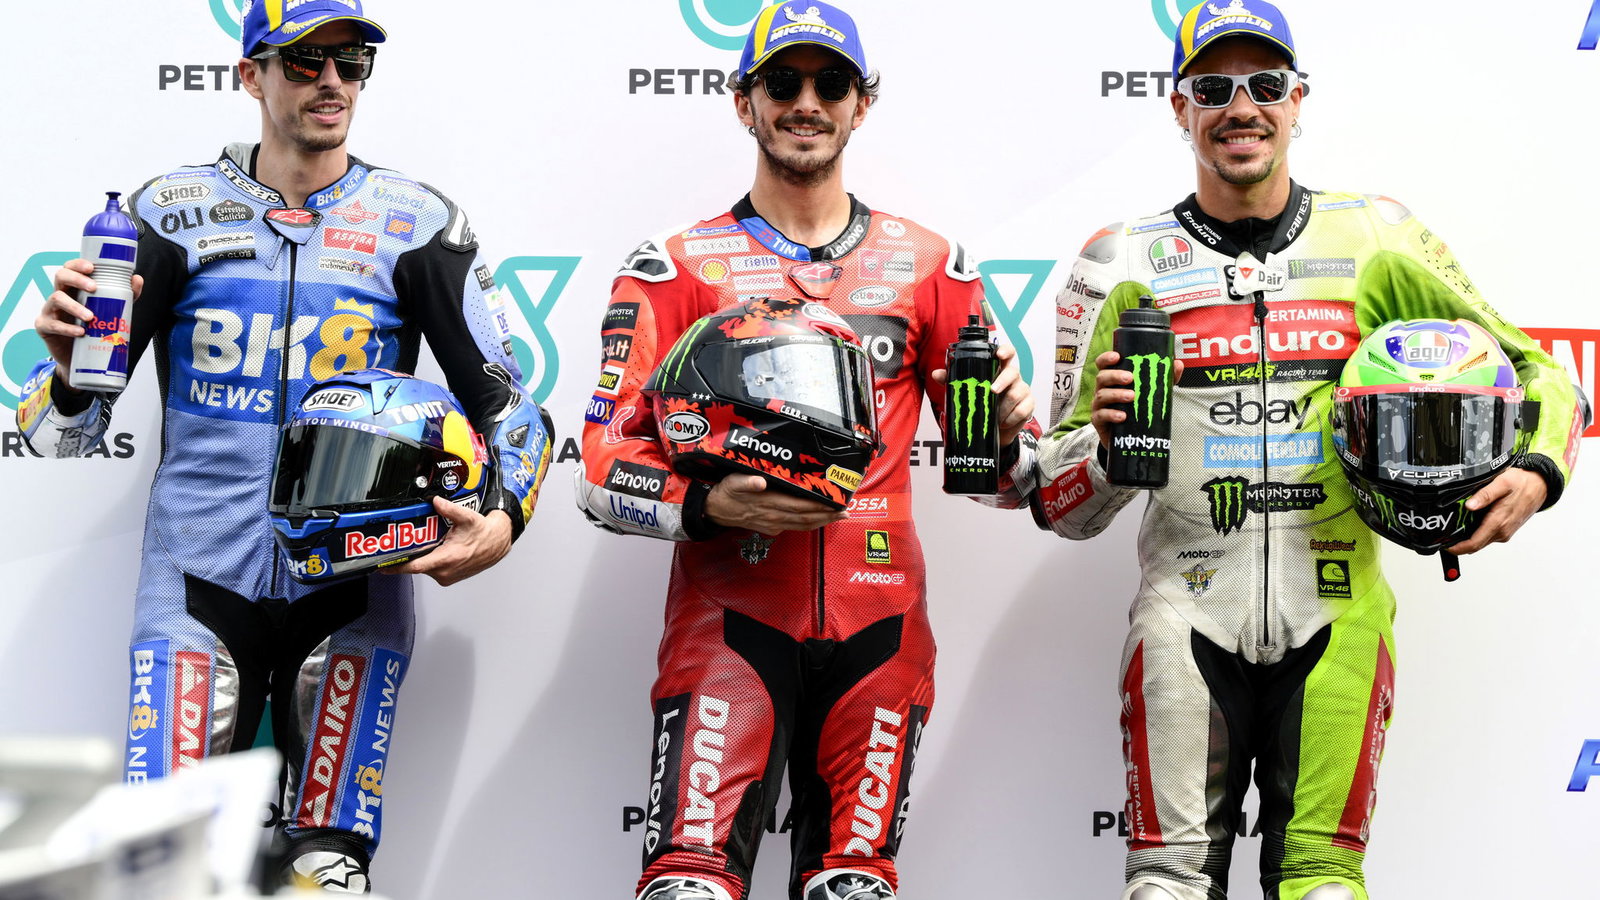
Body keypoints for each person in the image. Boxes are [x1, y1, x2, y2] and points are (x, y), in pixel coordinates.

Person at [1029, 3, 1582, 899]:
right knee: (1165, 885)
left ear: (1297, 101)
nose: (1241, 107)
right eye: (1214, 89)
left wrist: (1539, 469)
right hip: (1183, 616)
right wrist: (1101, 450)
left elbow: (1541, 375)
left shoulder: (1377, 237)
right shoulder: (1120, 259)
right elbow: (1060, 507)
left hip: (1338, 614)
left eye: (1265, 84)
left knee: (1323, 883)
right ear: (1178, 108)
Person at [19, 0, 551, 891]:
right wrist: (70, 377)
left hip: (355, 583)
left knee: (329, 871)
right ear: (249, 75)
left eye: (352, 62)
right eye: (305, 61)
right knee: (164, 866)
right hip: (195, 581)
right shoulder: (168, 213)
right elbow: (58, 435)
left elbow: (511, 407)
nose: (332, 81)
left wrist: (504, 519)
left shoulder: (417, 222)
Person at [575, 4, 1038, 899]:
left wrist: (1013, 436)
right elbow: (598, 467)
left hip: (881, 626)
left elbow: (1006, 481)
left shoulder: (931, 263)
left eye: (831, 83)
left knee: (855, 886)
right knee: (688, 885)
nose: (807, 103)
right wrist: (707, 504)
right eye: (782, 82)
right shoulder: (675, 267)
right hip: (729, 621)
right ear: (743, 102)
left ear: (862, 104)